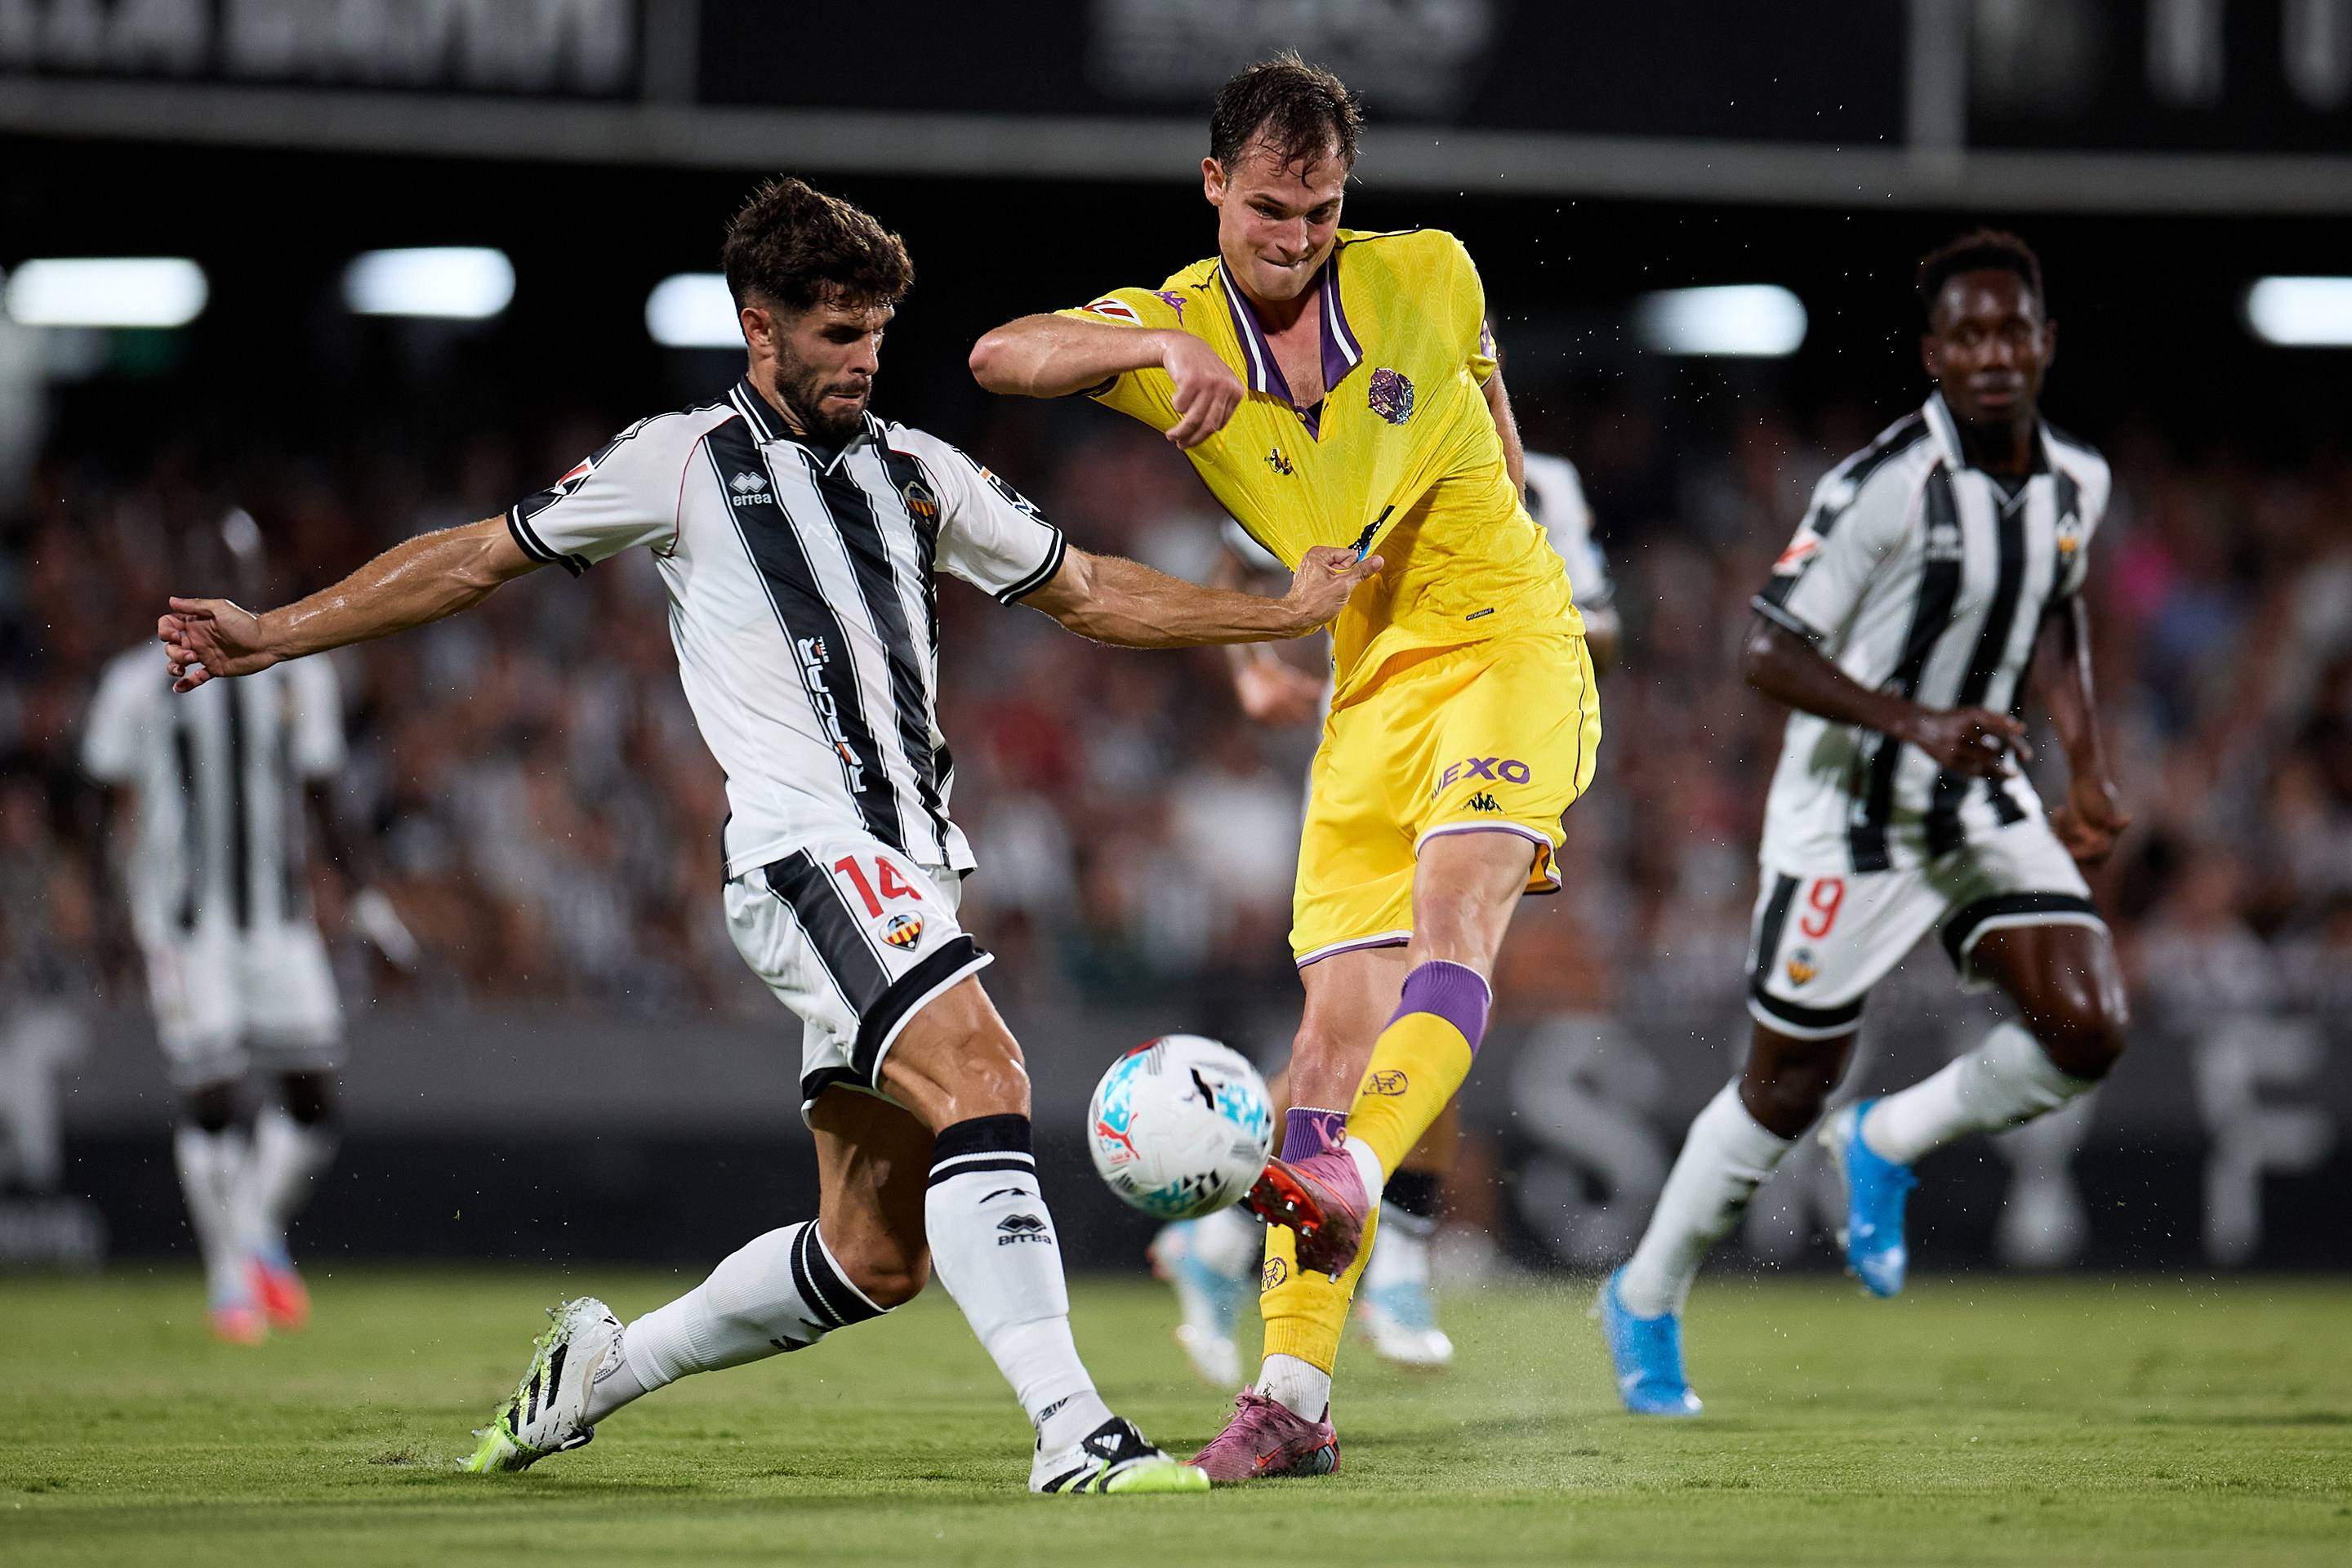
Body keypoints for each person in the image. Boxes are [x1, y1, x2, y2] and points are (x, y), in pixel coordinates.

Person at [158, 177, 1377, 1494]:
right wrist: (274, 632)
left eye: (874, 334)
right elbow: (477, 558)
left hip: (910, 870)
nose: (862, 359)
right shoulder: (678, 461)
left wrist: (1270, 616)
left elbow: (1086, 590)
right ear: (760, 329)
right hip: (805, 854)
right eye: (835, 334)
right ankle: (1073, 1430)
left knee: (873, 1253)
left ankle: (602, 1368)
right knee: (987, 1076)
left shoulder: (921, 473)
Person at [972, 56, 1601, 1478]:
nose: (1295, 237)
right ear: (1212, 188)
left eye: (1320, 212)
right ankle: (1294, 1404)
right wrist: (1152, 353)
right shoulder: (1175, 325)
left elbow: (1496, 423)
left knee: (1458, 921)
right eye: (1269, 209)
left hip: (1505, 637)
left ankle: (1359, 1173)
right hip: (1365, 682)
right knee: (1327, 1040)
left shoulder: (1428, 272)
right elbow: (998, 356)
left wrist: (1517, 538)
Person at [1597, 229, 2131, 1415]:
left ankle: (1887, 1141)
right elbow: (1764, 649)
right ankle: (1645, 1293)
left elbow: (2055, 615)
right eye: (1968, 334)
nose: (1993, 352)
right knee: (1784, 1092)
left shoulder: (2077, 485)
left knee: (2089, 1024)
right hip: (1846, 817)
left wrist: (2087, 764)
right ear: (1935, 354)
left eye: (2012, 330)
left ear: (2044, 344)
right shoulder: (1883, 483)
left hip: (1976, 802)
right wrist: (1918, 721)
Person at [1157, 452, 1618, 1382]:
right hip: (1374, 754)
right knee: (1372, 1026)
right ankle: (1379, 1247)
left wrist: (1521, 598)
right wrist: (1250, 670)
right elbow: (1235, 558)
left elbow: (1601, 630)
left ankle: (1248, 1237)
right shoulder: (1364, 453)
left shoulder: (1546, 484)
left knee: (1430, 1000)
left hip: (1489, 738)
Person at [83, 510, 399, 1343]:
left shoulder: (299, 679)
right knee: (214, 1097)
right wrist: (112, 917)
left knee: (312, 1099)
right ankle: (230, 1274)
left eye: (241, 570)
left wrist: (364, 897)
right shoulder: (131, 684)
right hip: (185, 927)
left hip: (277, 923)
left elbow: (328, 800)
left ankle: (252, 1227)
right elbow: (101, 809)